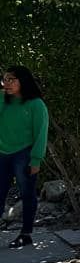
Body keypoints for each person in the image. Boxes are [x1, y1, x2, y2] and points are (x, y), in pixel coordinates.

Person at [0, 66, 49, 248]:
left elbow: (41, 133)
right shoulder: (2, 99)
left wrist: (36, 159)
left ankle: (25, 233)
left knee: (27, 194)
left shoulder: (36, 104)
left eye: (12, 79)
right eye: (5, 79)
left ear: (23, 81)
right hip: (2, 153)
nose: (7, 83)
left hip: (24, 154)